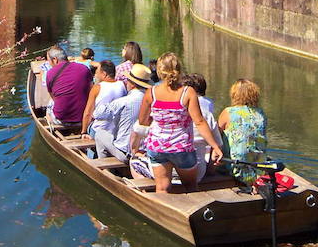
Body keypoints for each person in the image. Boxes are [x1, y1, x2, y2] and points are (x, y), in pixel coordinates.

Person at [129, 52, 223, 194]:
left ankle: (161, 215)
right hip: (181, 148)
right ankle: (190, 213)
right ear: (179, 70)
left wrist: (159, 119)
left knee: (162, 187)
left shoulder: (151, 92)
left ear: (160, 72)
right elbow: (199, 122)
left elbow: (143, 121)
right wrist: (215, 146)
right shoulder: (187, 92)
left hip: (157, 147)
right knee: (191, 186)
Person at [92, 63, 153, 161]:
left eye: (128, 80)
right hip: (145, 152)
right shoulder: (152, 101)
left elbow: (97, 114)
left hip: (125, 152)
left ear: (132, 84)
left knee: (99, 134)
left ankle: (106, 169)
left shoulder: (123, 101)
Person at [217, 79, 268, 184]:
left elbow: (216, 135)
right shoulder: (261, 114)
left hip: (235, 167)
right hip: (259, 169)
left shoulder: (228, 112)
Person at [181, 74, 224, 176]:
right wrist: (210, 171)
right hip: (199, 173)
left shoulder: (169, 112)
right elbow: (218, 145)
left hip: (171, 172)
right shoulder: (208, 110)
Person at [44, 46, 93, 128]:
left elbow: (53, 97)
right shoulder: (84, 68)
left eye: (49, 60)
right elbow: (91, 91)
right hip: (83, 118)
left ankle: (50, 124)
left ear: (55, 59)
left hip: (61, 119)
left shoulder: (50, 73)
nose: (49, 63)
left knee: (49, 103)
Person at [81, 60, 126, 141]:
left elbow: (88, 113)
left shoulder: (97, 88)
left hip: (99, 131)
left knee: (90, 128)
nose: (95, 75)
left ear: (104, 74)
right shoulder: (123, 85)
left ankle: (90, 152)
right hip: (116, 131)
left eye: (97, 72)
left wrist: (83, 132)